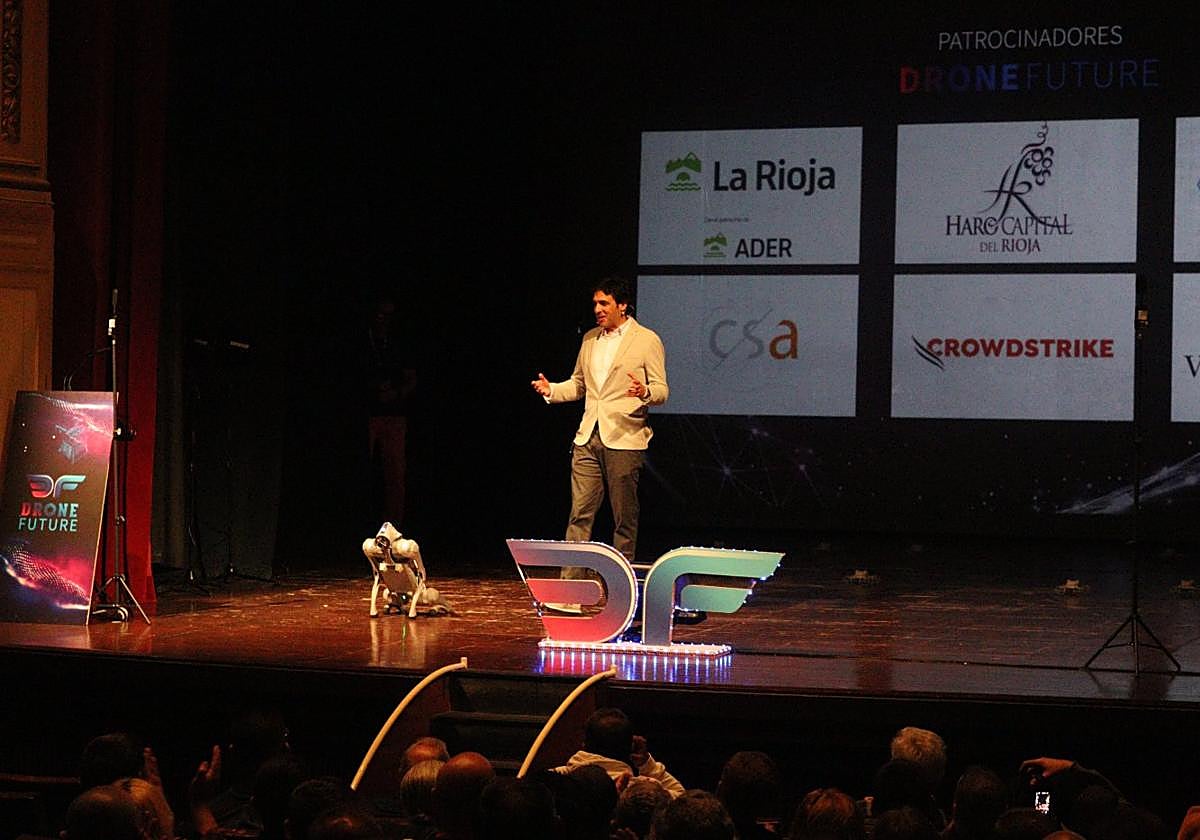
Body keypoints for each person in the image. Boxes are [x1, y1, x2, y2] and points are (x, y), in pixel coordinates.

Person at [531, 276, 668, 567]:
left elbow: (662, 390)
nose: (597, 308)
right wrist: (552, 390)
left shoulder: (647, 340)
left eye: (604, 302)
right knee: (579, 514)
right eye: (595, 303)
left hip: (624, 437)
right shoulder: (590, 338)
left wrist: (645, 392)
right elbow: (579, 385)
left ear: (623, 305)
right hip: (587, 438)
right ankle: (571, 590)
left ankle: (623, 588)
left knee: (624, 520)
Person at [552, 707, 684, 799]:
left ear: (584, 744)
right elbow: (680, 796)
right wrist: (648, 765)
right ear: (631, 747)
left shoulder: (558, 780)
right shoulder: (640, 792)